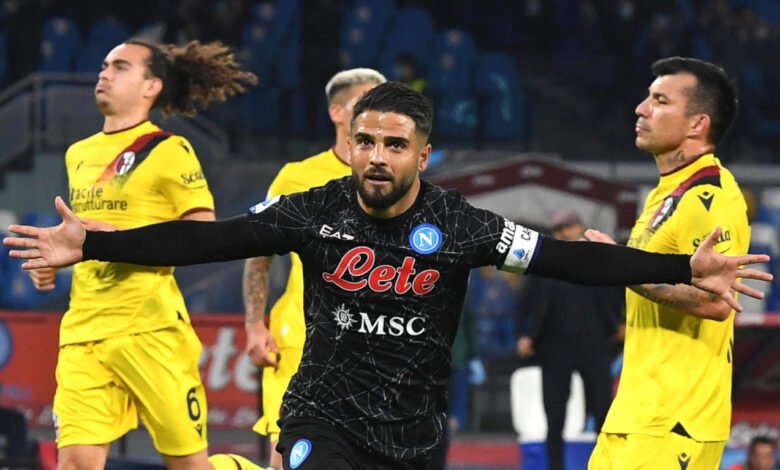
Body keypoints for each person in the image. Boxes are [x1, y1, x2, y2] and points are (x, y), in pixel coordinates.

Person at [4, 82, 771, 470]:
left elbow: (569, 257)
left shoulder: (462, 225)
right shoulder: (314, 210)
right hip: (321, 416)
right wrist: (95, 246)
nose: (376, 156)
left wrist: (682, 265)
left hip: (413, 432)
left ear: (422, 155)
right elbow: (213, 241)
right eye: (365, 140)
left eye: (393, 145)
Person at [23, 39, 258, 470]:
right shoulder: (79, 153)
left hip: (150, 331)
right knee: (74, 463)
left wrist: (116, 236)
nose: (104, 74)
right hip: (83, 332)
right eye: (103, 65)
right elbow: (81, 233)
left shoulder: (170, 150)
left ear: (151, 85)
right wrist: (49, 265)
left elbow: (203, 234)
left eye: (120, 66)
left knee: (190, 466)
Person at [585, 57, 751, 469]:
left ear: (697, 124)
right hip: (636, 414)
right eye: (646, 98)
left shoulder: (709, 195)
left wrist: (619, 264)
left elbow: (715, 301)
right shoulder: (667, 193)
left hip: (676, 422)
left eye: (659, 100)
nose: (641, 109)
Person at [243, 67, 386, 470]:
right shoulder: (297, 177)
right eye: (365, 103)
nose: (376, 113)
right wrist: (255, 324)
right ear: (337, 113)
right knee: (284, 458)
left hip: (373, 345)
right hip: (301, 337)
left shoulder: (395, 180)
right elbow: (259, 252)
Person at [516, 209, 624, 470]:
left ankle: (607, 465)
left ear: (581, 227)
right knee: (555, 418)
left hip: (595, 344)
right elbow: (523, 304)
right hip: (555, 348)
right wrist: (523, 335)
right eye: (560, 229)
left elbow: (623, 289)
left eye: (569, 227)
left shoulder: (600, 260)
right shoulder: (543, 266)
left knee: (602, 412)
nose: (565, 232)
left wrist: (623, 323)